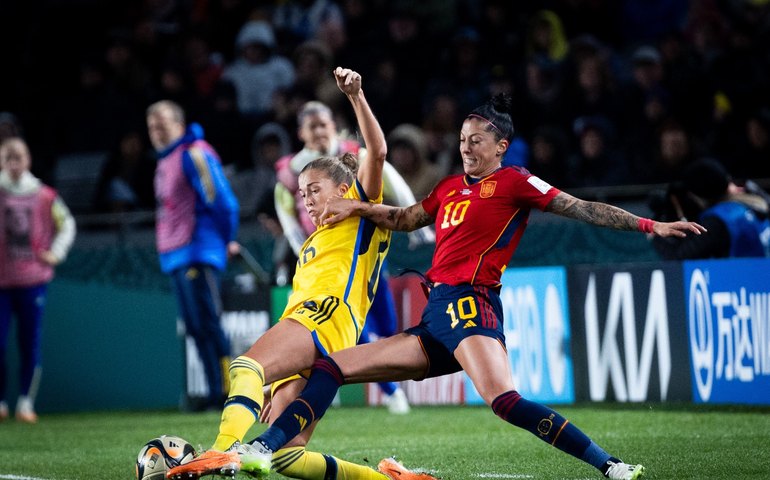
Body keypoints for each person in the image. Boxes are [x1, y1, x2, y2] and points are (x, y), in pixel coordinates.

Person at [239, 94, 707, 480]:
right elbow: (403, 219)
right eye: (462, 140)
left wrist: (651, 226)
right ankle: (263, 447)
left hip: (471, 307)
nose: (466, 147)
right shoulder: (447, 189)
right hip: (435, 315)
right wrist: (356, 208)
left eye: (476, 140)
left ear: (501, 145)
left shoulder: (514, 182)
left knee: (504, 401)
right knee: (331, 367)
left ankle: (609, 464)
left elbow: (581, 207)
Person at [168, 67, 435, 480]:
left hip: (322, 316)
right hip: (325, 328)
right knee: (286, 456)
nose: (306, 200)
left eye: (314, 190)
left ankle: (221, 451)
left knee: (247, 368)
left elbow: (377, 152)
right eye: (302, 192)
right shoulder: (314, 239)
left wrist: (356, 97)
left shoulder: (358, 212)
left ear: (344, 190)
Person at [274, 100, 434, 414]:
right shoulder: (291, 172)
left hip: (365, 249)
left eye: (324, 123)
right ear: (301, 132)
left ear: (333, 125)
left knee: (385, 324)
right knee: (348, 322)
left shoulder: (352, 154)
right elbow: (287, 217)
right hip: (329, 261)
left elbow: (387, 175)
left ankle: (372, 381)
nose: (320, 131)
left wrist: (417, 225)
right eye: (312, 126)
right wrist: (305, 255)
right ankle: (386, 391)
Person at [146, 100, 240, 411]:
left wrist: (227, 239)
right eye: (152, 126)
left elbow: (223, 201)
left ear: (179, 124)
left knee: (209, 323)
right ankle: (214, 390)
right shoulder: (165, 159)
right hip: (176, 254)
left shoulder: (194, 153)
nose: (156, 131)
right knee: (195, 327)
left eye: (163, 124)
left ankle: (228, 391)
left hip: (199, 249)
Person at [0, 137, 75, 423]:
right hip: (2, 283)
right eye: (8, 157)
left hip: (32, 279)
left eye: (18, 157)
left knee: (29, 342)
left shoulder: (44, 195)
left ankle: (25, 403)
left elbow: (67, 223)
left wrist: (56, 252)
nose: (14, 163)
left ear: (28, 160)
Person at [650, 157, 770, 259]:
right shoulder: (752, 203)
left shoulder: (718, 221)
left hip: (747, 282)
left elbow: (679, 257)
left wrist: (656, 232)